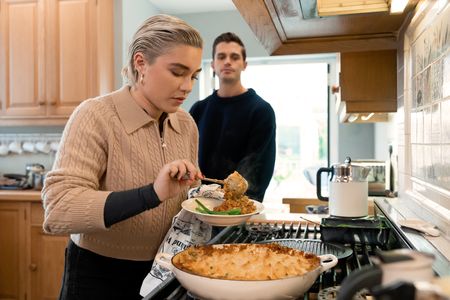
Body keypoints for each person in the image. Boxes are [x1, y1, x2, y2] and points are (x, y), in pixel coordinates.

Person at [42, 15, 204, 300]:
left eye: (193, 75)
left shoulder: (186, 125)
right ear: (141, 63)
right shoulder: (96, 116)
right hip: (100, 276)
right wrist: (151, 194)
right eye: (177, 72)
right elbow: (58, 209)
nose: (187, 86)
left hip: (166, 273)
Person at [189, 32, 276, 202]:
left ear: (244, 64)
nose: (227, 61)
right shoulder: (198, 110)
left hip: (239, 212)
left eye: (234, 57)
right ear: (213, 64)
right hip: (199, 207)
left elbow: (259, 171)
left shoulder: (261, 111)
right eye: (221, 57)